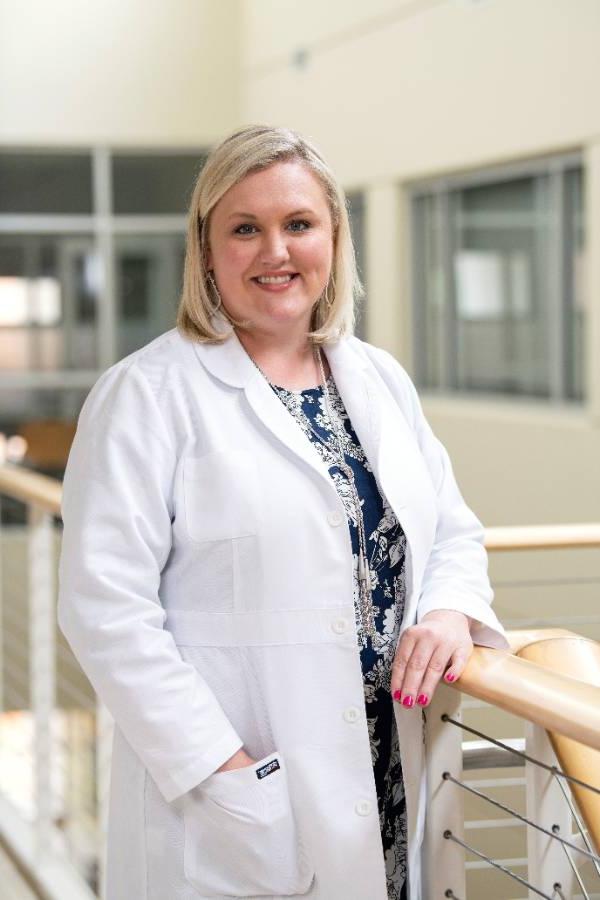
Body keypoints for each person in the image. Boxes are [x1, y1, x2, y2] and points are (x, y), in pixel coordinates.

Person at [57, 124, 509, 900]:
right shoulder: (147, 395)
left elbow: (452, 531)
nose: (276, 250)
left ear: (333, 236)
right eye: (245, 228)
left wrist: (446, 613)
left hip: (391, 778)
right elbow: (103, 609)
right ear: (205, 250)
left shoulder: (377, 379)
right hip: (238, 799)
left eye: (298, 224)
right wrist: (225, 769)